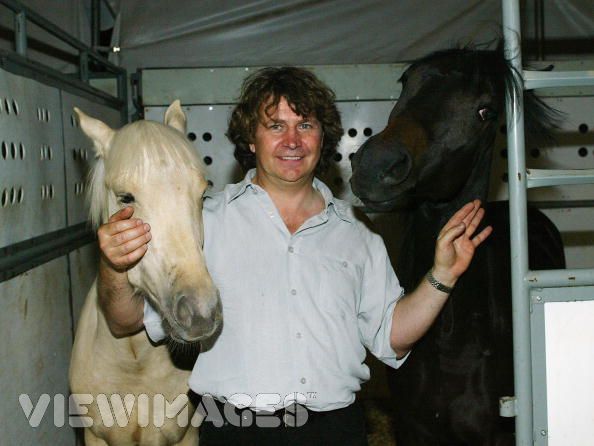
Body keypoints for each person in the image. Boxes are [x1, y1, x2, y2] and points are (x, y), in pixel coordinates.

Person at [96, 66, 492, 445]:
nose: (292, 140)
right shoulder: (204, 222)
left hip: (334, 433)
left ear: (323, 139)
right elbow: (124, 320)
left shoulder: (357, 234)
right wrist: (115, 267)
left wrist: (442, 275)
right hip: (235, 432)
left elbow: (393, 338)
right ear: (251, 140)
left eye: (305, 125)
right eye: (275, 126)